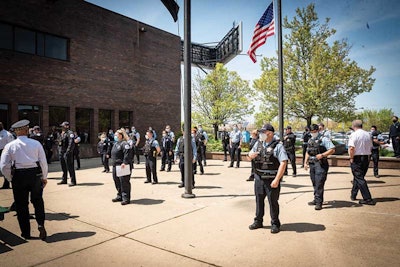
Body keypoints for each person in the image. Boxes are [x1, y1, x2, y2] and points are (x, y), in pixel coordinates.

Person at [0, 119, 48, 240]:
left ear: (16, 132)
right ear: (27, 130)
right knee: (38, 201)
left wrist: (10, 178)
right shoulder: (36, 143)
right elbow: (43, 162)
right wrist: (44, 177)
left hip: (19, 176)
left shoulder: (10, 146)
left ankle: (25, 232)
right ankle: (41, 224)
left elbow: (3, 165)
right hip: (35, 175)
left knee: (21, 205)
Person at [247, 124, 288, 234]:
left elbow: (283, 163)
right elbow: (249, 155)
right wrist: (250, 155)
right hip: (259, 177)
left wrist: (277, 179)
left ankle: (275, 223)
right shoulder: (259, 143)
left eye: (263, 132)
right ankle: (258, 221)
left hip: (271, 178)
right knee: (259, 200)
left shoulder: (278, 146)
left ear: (270, 133)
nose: (261, 134)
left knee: (273, 202)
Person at [304, 124, 336, 210]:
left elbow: (332, 149)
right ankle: (316, 199)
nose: (313, 133)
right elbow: (308, 151)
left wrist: (322, 155)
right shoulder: (310, 139)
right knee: (314, 182)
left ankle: (319, 202)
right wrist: (305, 162)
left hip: (321, 164)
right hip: (312, 163)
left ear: (318, 130)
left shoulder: (324, 139)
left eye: (314, 132)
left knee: (319, 183)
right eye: (311, 132)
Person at [348, 120, 375, 205]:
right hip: (366, 157)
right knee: (359, 177)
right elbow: (371, 147)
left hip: (357, 158)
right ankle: (353, 194)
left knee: (359, 178)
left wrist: (351, 158)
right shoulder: (368, 134)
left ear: (353, 126)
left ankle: (367, 198)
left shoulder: (353, 135)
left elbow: (351, 148)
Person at [111, 128, 132, 205]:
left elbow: (127, 153)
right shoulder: (116, 143)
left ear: (121, 136)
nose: (115, 136)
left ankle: (126, 198)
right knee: (116, 180)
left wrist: (125, 162)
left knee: (124, 182)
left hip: (122, 165)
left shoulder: (124, 144)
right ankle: (119, 195)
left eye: (116, 135)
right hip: (115, 165)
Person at [57, 121, 77, 186]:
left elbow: (71, 143)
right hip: (61, 152)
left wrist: (68, 152)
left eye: (63, 126)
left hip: (67, 153)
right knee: (63, 167)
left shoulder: (70, 133)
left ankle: (73, 181)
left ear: (67, 126)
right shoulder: (62, 133)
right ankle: (64, 179)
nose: (62, 127)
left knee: (70, 167)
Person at [0, 122, 14, 189]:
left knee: (4, 168)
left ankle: (7, 183)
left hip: (4, 152)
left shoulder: (7, 134)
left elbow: (11, 144)